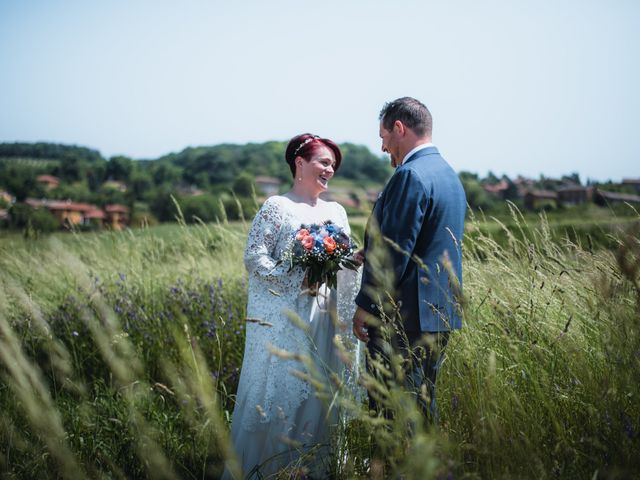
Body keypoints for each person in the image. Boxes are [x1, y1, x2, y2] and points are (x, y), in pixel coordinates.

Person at [223, 133, 361, 479]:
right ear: (299, 163)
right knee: (284, 397)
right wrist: (295, 278)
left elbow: (343, 260)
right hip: (287, 318)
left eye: (333, 165)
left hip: (326, 317)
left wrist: (356, 260)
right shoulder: (277, 206)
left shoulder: (337, 211)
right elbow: (254, 257)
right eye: (324, 162)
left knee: (321, 393)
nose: (330, 169)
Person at [352, 97, 466, 424]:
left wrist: (366, 307)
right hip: (437, 315)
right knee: (420, 408)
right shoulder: (448, 175)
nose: (383, 147)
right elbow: (426, 243)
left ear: (399, 128)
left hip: (403, 320)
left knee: (391, 414)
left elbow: (393, 255)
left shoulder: (410, 175)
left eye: (383, 137)